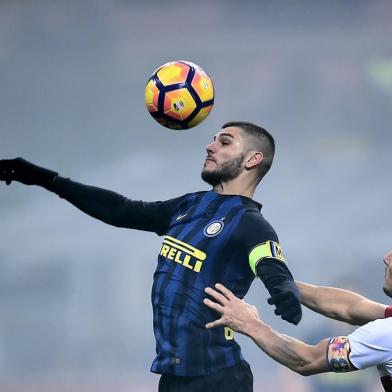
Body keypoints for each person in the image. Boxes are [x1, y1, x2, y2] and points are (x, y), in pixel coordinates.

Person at [0, 121, 302, 392]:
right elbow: (120, 210)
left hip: (219, 379)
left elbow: (271, 265)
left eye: (225, 142)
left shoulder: (250, 224)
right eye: (213, 140)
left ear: (253, 159)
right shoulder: (189, 206)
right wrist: (45, 178)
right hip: (172, 378)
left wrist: (284, 290)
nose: (210, 146)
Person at [203, 251, 392, 391]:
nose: (387, 258)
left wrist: (249, 323)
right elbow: (349, 307)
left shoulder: (386, 333)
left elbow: (306, 360)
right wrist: (275, 279)